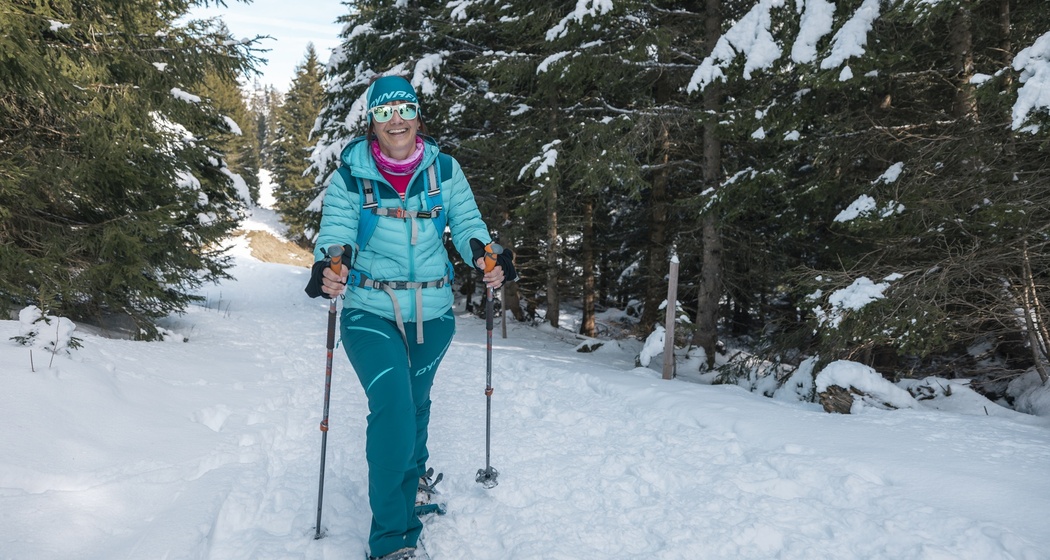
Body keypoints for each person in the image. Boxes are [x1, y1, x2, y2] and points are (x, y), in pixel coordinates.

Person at [305, 75, 515, 560]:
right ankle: (393, 540)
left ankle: (414, 473)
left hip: (434, 312)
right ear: (372, 122)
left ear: (418, 116)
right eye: (384, 111)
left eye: (404, 108)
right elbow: (337, 231)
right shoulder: (351, 175)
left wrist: (486, 255)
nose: (395, 119)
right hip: (367, 310)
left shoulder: (445, 170)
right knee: (395, 407)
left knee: (415, 403)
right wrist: (328, 265)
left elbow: (466, 224)